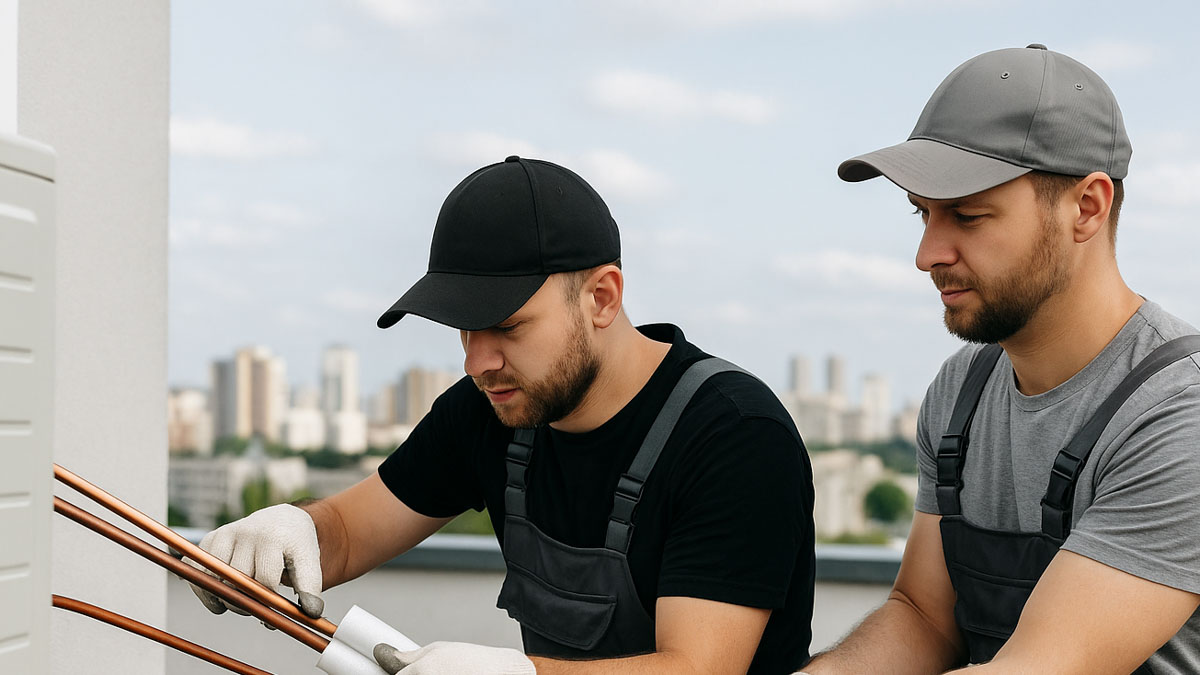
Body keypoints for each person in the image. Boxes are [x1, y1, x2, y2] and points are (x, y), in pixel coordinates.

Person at [191, 156, 815, 674]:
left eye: (507, 327)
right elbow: (351, 532)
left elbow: (697, 670)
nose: (478, 361)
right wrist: (288, 535)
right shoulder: (492, 408)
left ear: (602, 298)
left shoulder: (734, 437)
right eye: (464, 329)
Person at [801, 45, 1200, 674]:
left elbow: (1041, 665)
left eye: (967, 215)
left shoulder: (1178, 415)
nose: (927, 252)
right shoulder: (963, 389)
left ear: (1086, 208)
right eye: (922, 214)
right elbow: (923, 617)